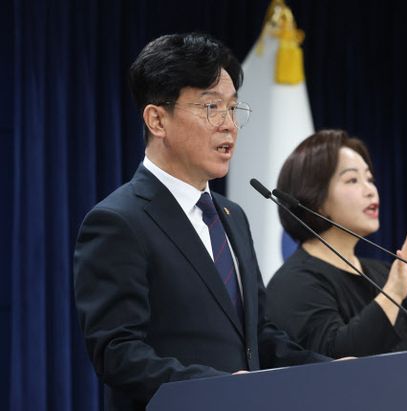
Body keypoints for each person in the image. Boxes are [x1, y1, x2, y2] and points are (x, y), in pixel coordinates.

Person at [73, 33, 328, 411]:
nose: (229, 125)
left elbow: (259, 336)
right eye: (211, 107)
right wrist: (216, 389)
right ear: (157, 119)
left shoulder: (232, 216)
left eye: (233, 108)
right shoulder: (117, 222)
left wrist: (329, 369)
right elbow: (118, 353)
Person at [266, 129, 407, 357]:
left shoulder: (382, 273)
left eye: (370, 179)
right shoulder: (295, 282)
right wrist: (393, 292)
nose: (370, 190)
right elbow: (336, 359)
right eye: (352, 180)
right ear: (315, 199)